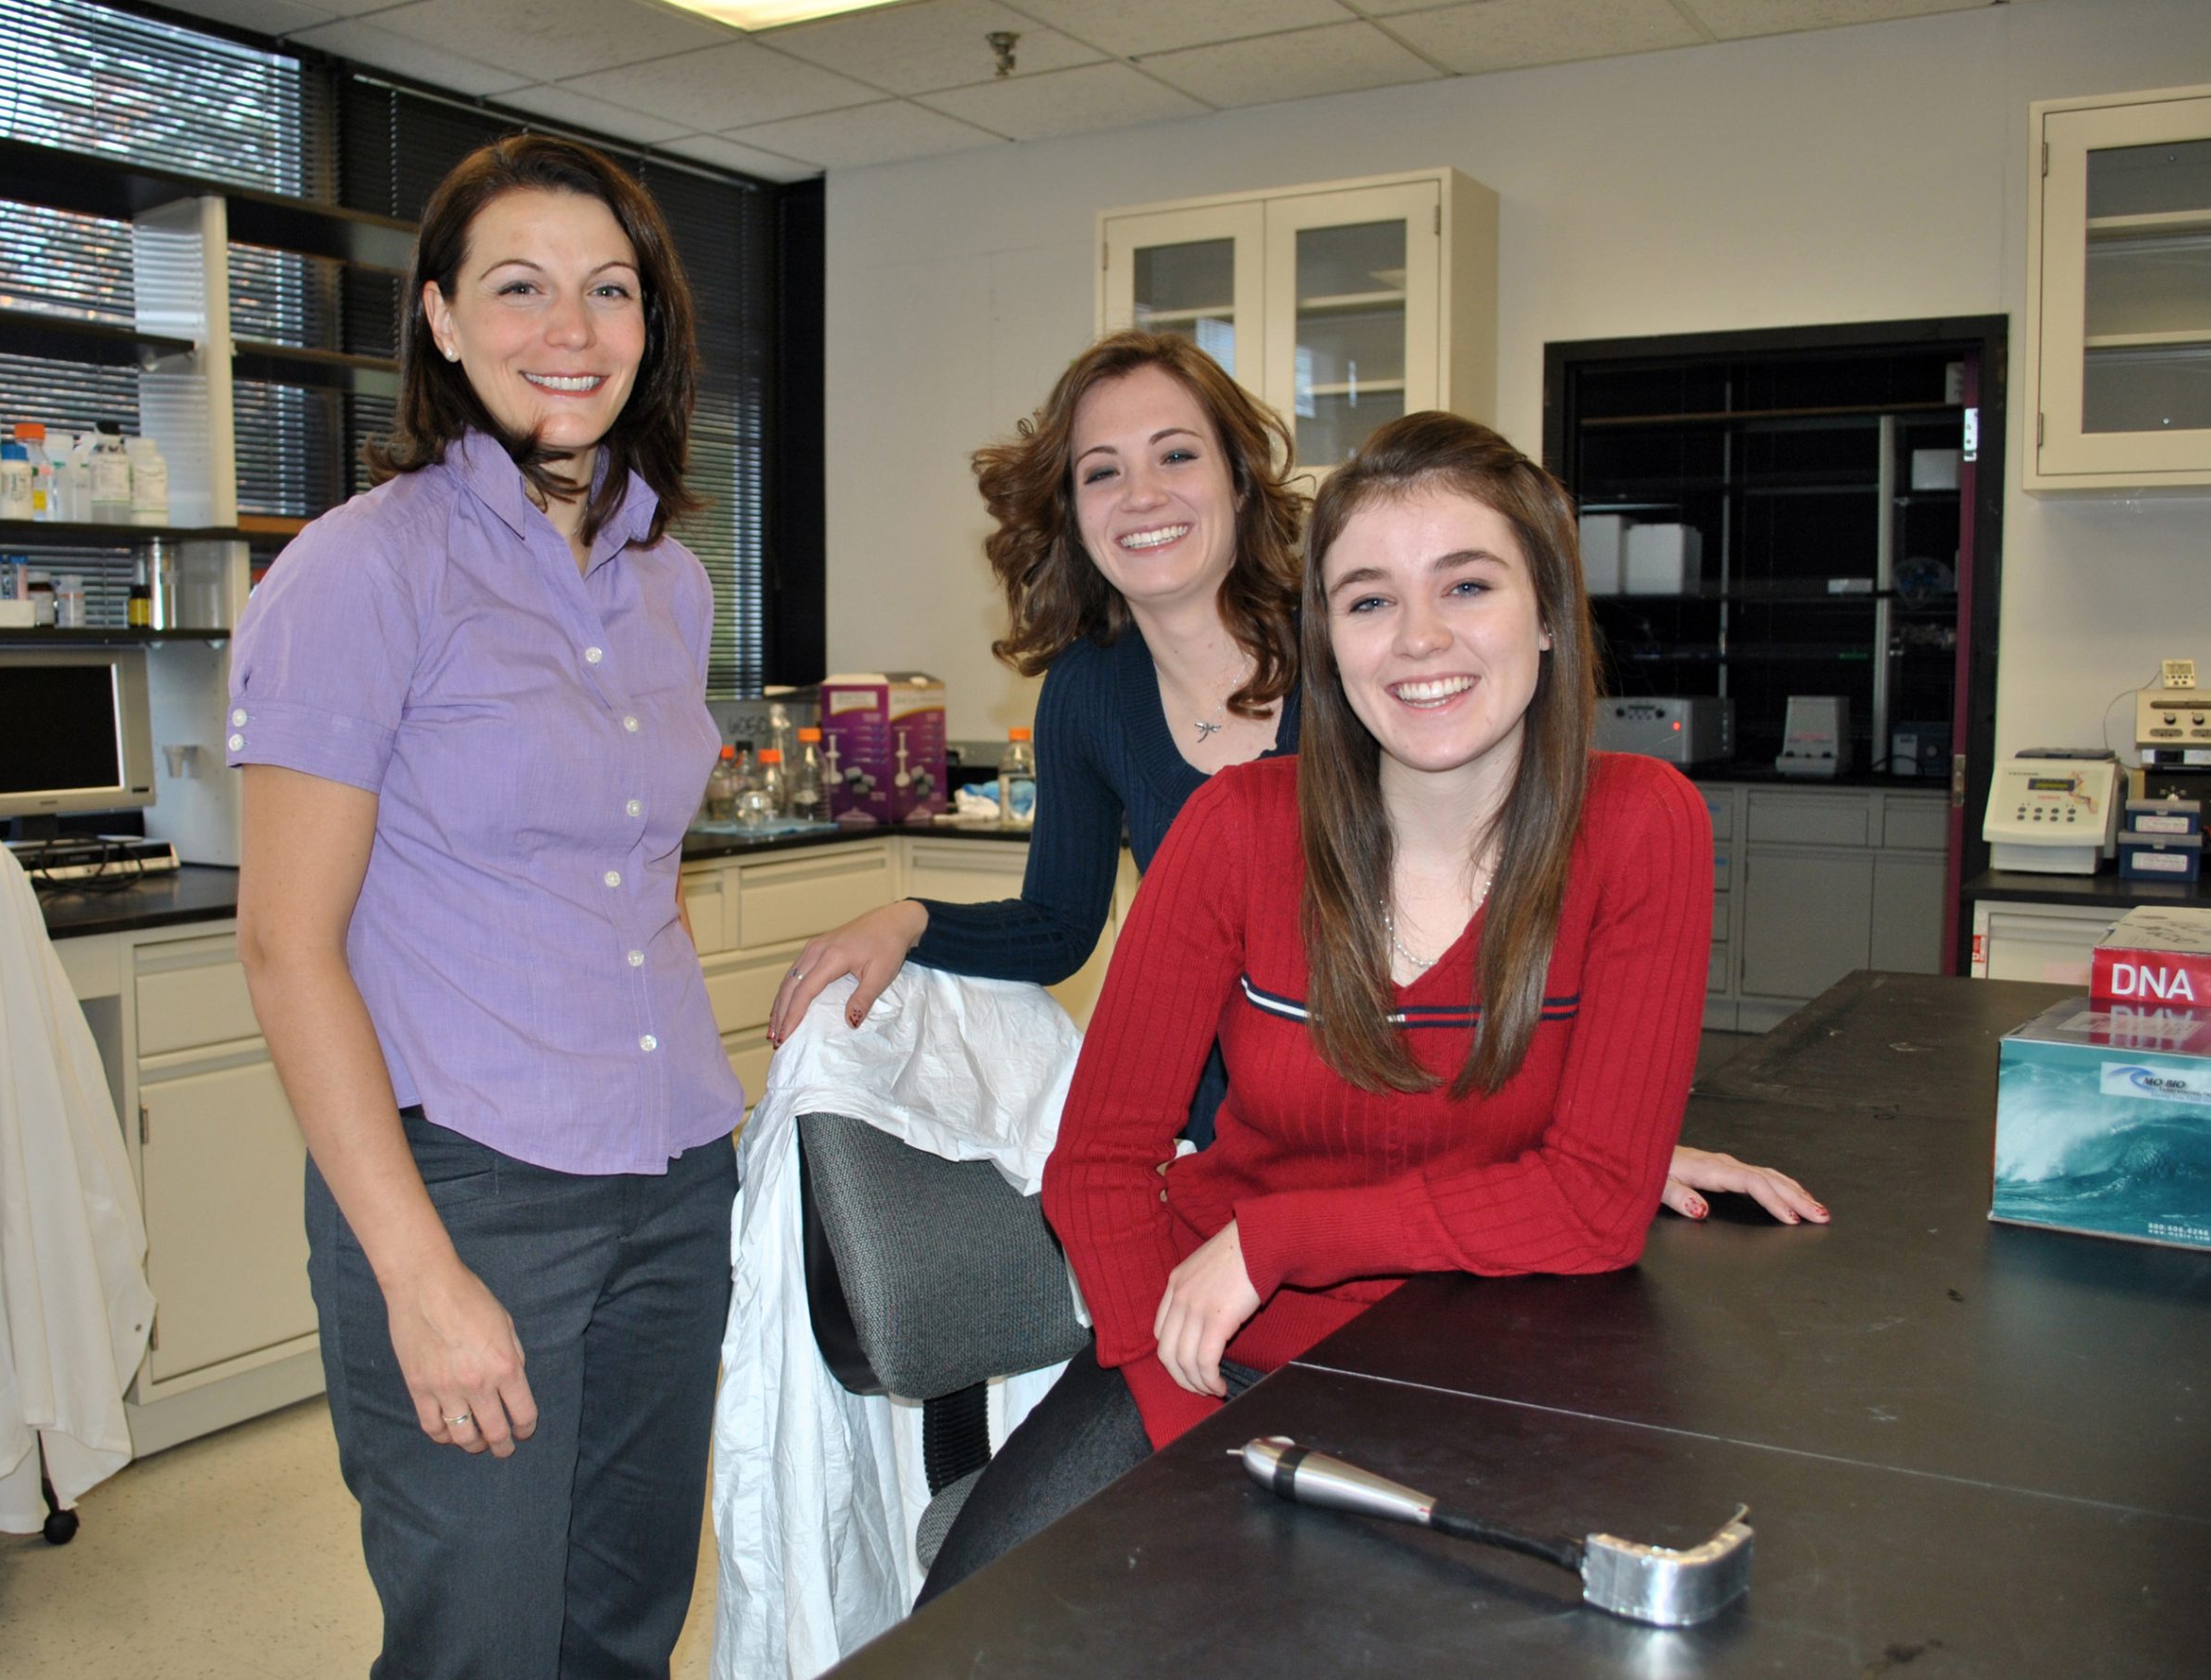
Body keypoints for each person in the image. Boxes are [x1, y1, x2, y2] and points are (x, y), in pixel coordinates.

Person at [919, 408, 1768, 1598]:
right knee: (966, 1632)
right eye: (1369, 600)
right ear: (1329, 643)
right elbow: (1101, 1164)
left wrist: (1280, 1237)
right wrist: (1179, 1412)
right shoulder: (1235, 829)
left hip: (1485, 1377)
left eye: (1466, 585)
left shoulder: (1641, 827)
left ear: (1547, 617)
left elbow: (1589, 1209)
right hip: (1201, 1349)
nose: (1419, 640)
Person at [767, 330, 1819, 1219]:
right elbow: (1059, 926)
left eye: (1175, 456)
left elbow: (1495, 912)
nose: (1142, 495)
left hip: (1416, 1134)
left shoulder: (1364, 659)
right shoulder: (1088, 692)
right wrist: (909, 919)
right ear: (1072, 512)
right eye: (1102, 470)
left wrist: (1595, 1147)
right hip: (1226, 1147)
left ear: (1236, 475)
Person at [229, 135, 737, 1679]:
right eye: (520, 288)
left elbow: (636, 878)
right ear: (442, 319)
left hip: (673, 1176)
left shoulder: (669, 578)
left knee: (624, 1625)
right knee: (483, 1643)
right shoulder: (361, 571)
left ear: (649, 323)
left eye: (607, 290)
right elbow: (283, 943)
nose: (569, 331)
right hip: (471, 1187)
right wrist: (419, 1271)